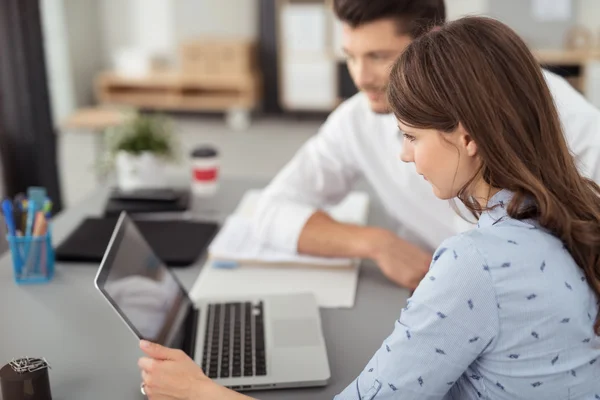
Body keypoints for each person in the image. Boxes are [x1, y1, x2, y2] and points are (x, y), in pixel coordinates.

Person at [137, 16, 600, 400]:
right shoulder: (573, 209)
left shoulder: (474, 264)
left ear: (466, 136)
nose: (403, 154)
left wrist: (198, 391)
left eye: (412, 136)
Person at [251, 0, 600, 290]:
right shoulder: (356, 120)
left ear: (431, 42)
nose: (360, 78)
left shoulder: (558, 112)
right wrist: (376, 243)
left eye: (378, 56)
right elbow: (269, 213)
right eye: (351, 57)